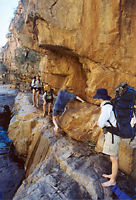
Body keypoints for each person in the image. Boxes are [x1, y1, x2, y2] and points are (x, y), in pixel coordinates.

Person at [93, 88, 120, 187]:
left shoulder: (106, 107)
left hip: (112, 135)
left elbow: (102, 122)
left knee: (114, 158)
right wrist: (99, 123)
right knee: (114, 157)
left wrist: (97, 123)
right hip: (115, 134)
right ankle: (113, 175)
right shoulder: (110, 105)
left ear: (100, 98)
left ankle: (113, 180)